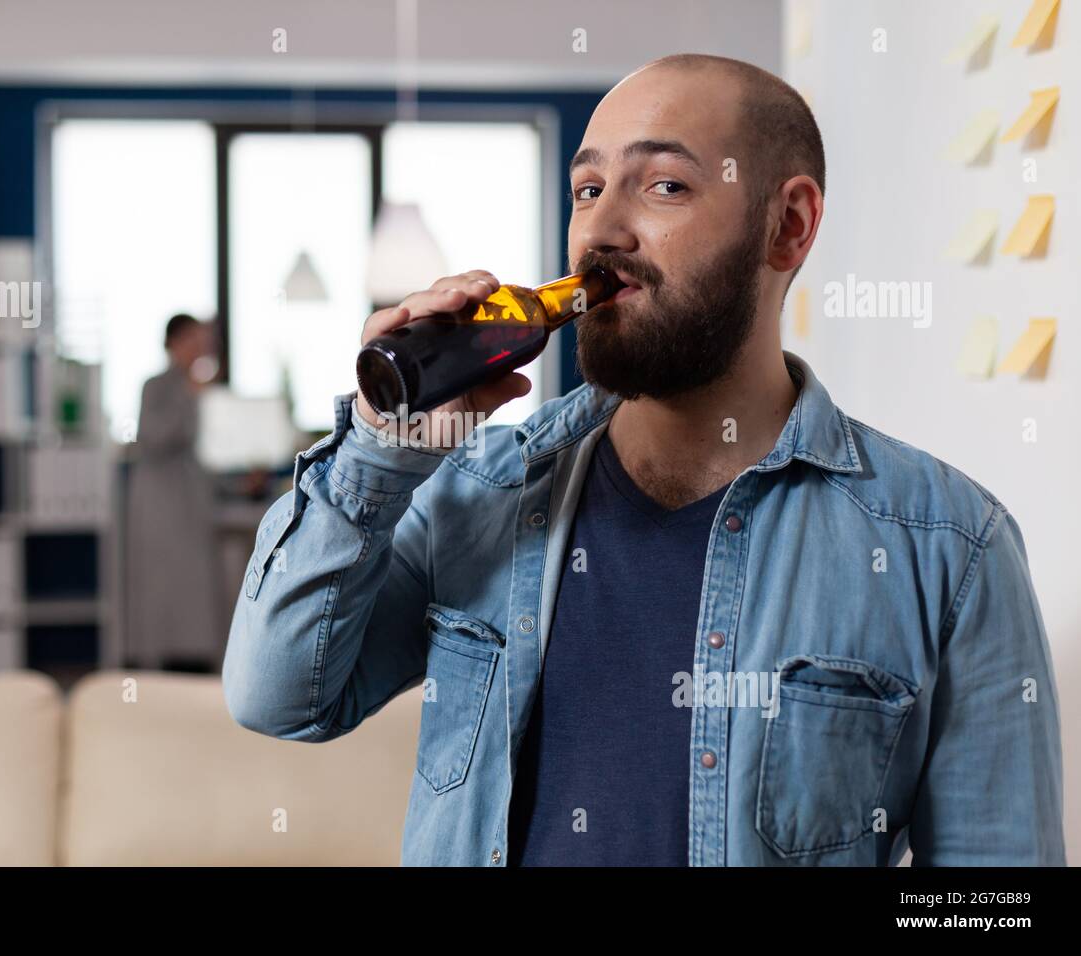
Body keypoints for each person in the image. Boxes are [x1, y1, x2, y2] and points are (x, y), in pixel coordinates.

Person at [222, 55, 1065, 866]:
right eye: (587, 189)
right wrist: (381, 444)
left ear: (789, 226)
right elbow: (279, 697)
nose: (601, 230)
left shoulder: (949, 548)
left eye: (664, 185)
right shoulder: (477, 493)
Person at [125, 313, 220, 671]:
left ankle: (194, 664)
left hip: (192, 497)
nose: (199, 348)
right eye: (192, 340)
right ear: (174, 344)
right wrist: (189, 397)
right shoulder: (158, 386)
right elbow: (154, 437)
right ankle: (157, 668)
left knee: (193, 593)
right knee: (161, 590)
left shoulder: (200, 387)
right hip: (160, 504)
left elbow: (207, 447)